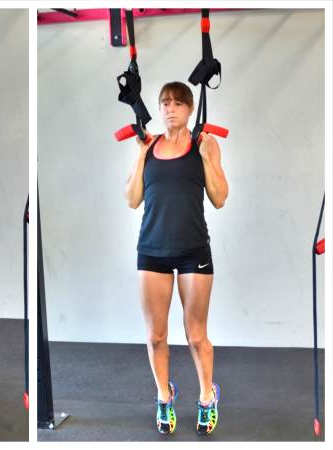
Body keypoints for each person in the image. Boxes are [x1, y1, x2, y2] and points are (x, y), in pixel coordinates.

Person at [124, 81, 228, 435]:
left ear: (190, 109)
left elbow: (220, 197)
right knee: (155, 336)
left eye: (178, 103)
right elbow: (132, 199)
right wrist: (140, 156)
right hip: (151, 248)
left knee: (196, 336)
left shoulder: (204, 144)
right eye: (165, 102)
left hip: (192, 250)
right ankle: (164, 397)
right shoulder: (149, 147)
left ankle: (206, 397)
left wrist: (204, 158)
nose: (170, 108)